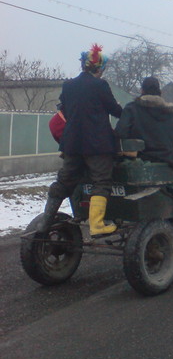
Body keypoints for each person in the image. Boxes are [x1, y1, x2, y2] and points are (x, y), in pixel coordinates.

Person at [39, 44, 123, 236]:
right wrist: (124, 112)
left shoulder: (68, 85)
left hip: (72, 144)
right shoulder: (100, 85)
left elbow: (65, 111)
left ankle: (45, 222)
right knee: (101, 181)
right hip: (97, 145)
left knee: (64, 181)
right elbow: (115, 110)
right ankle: (97, 225)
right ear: (99, 68)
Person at [114, 77, 173, 195]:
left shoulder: (132, 109)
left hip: (140, 160)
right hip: (169, 162)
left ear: (142, 91)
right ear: (160, 92)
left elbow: (120, 133)